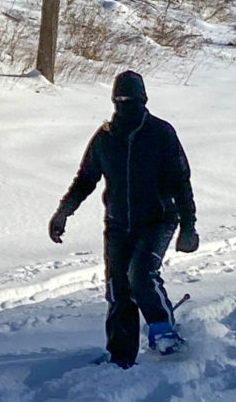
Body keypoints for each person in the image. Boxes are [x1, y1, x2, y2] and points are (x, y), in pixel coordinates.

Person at [49, 70, 200, 368]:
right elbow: (86, 179)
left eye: (131, 100)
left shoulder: (161, 133)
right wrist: (63, 212)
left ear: (143, 100)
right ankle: (121, 357)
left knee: (141, 277)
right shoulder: (105, 138)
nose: (125, 106)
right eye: (119, 100)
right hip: (118, 223)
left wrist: (188, 225)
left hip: (158, 220)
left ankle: (165, 333)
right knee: (118, 289)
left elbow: (181, 180)